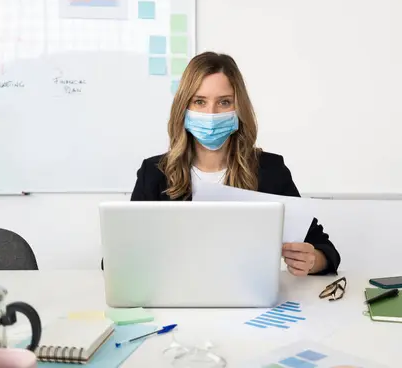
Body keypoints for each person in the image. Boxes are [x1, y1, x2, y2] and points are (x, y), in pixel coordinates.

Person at [131, 52, 340, 276]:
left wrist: (312, 260)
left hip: (249, 301)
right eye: (199, 101)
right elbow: (118, 256)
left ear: (238, 108)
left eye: (224, 102)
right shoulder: (153, 173)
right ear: (184, 107)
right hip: (176, 299)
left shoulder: (269, 170)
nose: (211, 114)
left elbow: (326, 251)